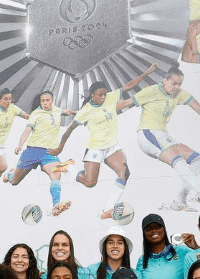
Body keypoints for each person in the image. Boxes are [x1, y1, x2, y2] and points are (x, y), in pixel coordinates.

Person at [53, 65, 153, 219]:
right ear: (92, 95)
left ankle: (107, 210)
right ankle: (68, 167)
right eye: (100, 95)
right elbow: (69, 130)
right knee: (89, 182)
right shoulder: (85, 110)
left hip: (112, 146)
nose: (103, 98)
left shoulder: (111, 97)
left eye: (104, 95)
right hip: (95, 148)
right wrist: (60, 147)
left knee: (124, 173)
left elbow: (129, 85)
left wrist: (146, 73)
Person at [133, 67, 200, 209]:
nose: (177, 87)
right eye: (174, 83)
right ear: (165, 80)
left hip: (162, 135)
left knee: (197, 159)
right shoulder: (151, 91)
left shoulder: (179, 94)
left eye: (179, 84)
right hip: (147, 134)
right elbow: (125, 104)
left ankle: (180, 201)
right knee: (178, 159)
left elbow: (197, 106)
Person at [11, 91, 77, 217]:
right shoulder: (36, 113)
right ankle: (10, 174)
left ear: (52, 100)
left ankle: (56, 205)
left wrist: (78, 113)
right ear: (40, 102)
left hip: (49, 152)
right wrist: (20, 145)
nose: (45, 103)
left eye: (48, 100)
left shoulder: (57, 110)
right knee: (14, 181)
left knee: (56, 175)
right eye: (43, 101)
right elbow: (27, 130)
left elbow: (66, 111)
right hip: (32, 150)